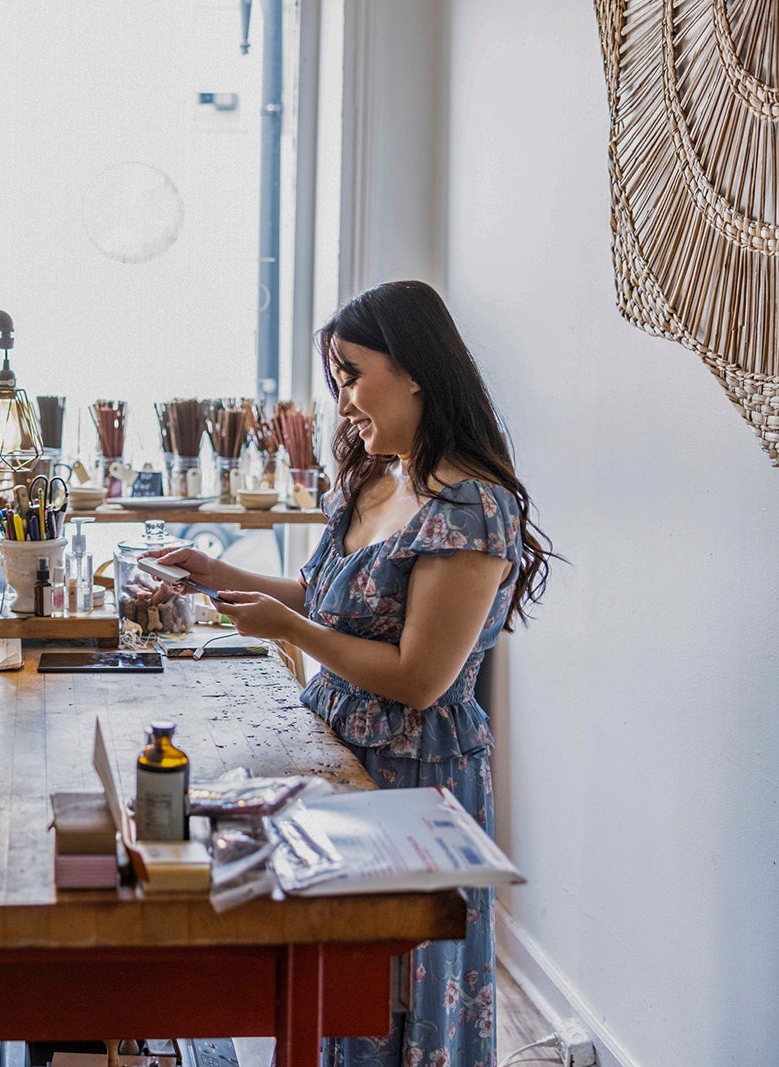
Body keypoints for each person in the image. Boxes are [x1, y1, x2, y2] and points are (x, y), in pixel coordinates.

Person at [155, 280, 556, 1067]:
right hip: (339, 757)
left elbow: (419, 678)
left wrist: (291, 631)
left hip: (414, 777)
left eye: (351, 375)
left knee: (389, 1001)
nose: (342, 402)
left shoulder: (471, 508)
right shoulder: (379, 477)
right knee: (325, 992)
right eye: (337, 380)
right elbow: (325, 595)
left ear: (413, 368)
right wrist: (210, 570)